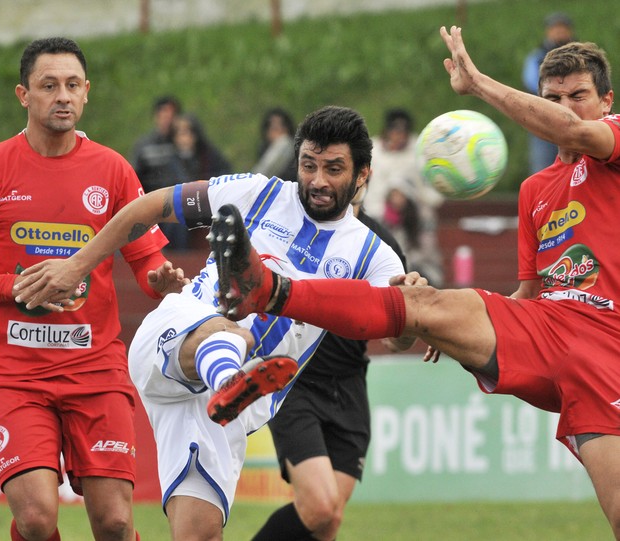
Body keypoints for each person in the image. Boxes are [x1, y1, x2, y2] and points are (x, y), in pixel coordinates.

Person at [210, 27, 620, 540]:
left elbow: (575, 132)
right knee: (419, 301)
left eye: (578, 96)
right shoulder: (536, 189)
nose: (565, 109)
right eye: (553, 98)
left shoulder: (614, 142)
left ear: (607, 101)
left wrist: (478, 85)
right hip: (549, 328)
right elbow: (529, 296)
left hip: (607, 345)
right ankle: (267, 289)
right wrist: (453, 330)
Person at [12, 105, 418, 540]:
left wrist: (410, 311)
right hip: (176, 336)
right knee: (231, 329)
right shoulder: (257, 192)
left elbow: (397, 340)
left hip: (220, 416)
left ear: (362, 174)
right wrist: (77, 266)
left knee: (197, 534)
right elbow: (147, 207)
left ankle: (230, 378)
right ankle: (229, 373)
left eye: (334, 169)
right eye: (308, 165)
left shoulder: (374, 256)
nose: (317, 180)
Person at [0, 37, 187, 541]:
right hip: (15, 373)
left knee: (115, 524)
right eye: (48, 86)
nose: (62, 96)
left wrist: (161, 279)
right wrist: (19, 288)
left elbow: (146, 262)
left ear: (87, 92)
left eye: (72, 85)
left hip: (95, 367)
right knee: (35, 519)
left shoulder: (113, 170)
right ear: (23, 95)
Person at [252, 180, 406, 540]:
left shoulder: (379, 245)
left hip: (349, 385)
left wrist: (419, 329)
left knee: (328, 520)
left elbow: (396, 336)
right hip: (295, 380)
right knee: (319, 506)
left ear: (363, 175)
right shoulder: (295, 225)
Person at [367, 108, 444, 286]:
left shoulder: (417, 152)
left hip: (412, 216)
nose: (398, 136)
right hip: (378, 215)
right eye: (394, 131)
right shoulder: (373, 151)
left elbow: (431, 190)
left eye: (403, 132)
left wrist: (411, 201)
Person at [163, 112, 234, 250]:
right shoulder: (171, 159)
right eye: (178, 133)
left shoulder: (209, 155)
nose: (183, 138)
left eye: (186, 132)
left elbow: (225, 176)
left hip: (208, 201)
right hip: (182, 203)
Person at [522, 12, 575, 174]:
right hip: (543, 122)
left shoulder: (580, 55)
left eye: (562, 28)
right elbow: (531, 83)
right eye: (555, 28)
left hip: (574, 121)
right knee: (543, 171)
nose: (559, 32)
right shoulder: (537, 57)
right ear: (548, 31)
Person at [130, 95, 182, 193]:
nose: (168, 120)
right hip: (153, 201)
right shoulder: (144, 146)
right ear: (156, 116)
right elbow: (135, 178)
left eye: (172, 115)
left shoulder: (185, 143)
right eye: (164, 115)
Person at [252, 107, 297, 182]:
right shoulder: (263, 151)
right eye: (274, 128)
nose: (278, 131)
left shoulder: (298, 153)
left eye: (282, 126)